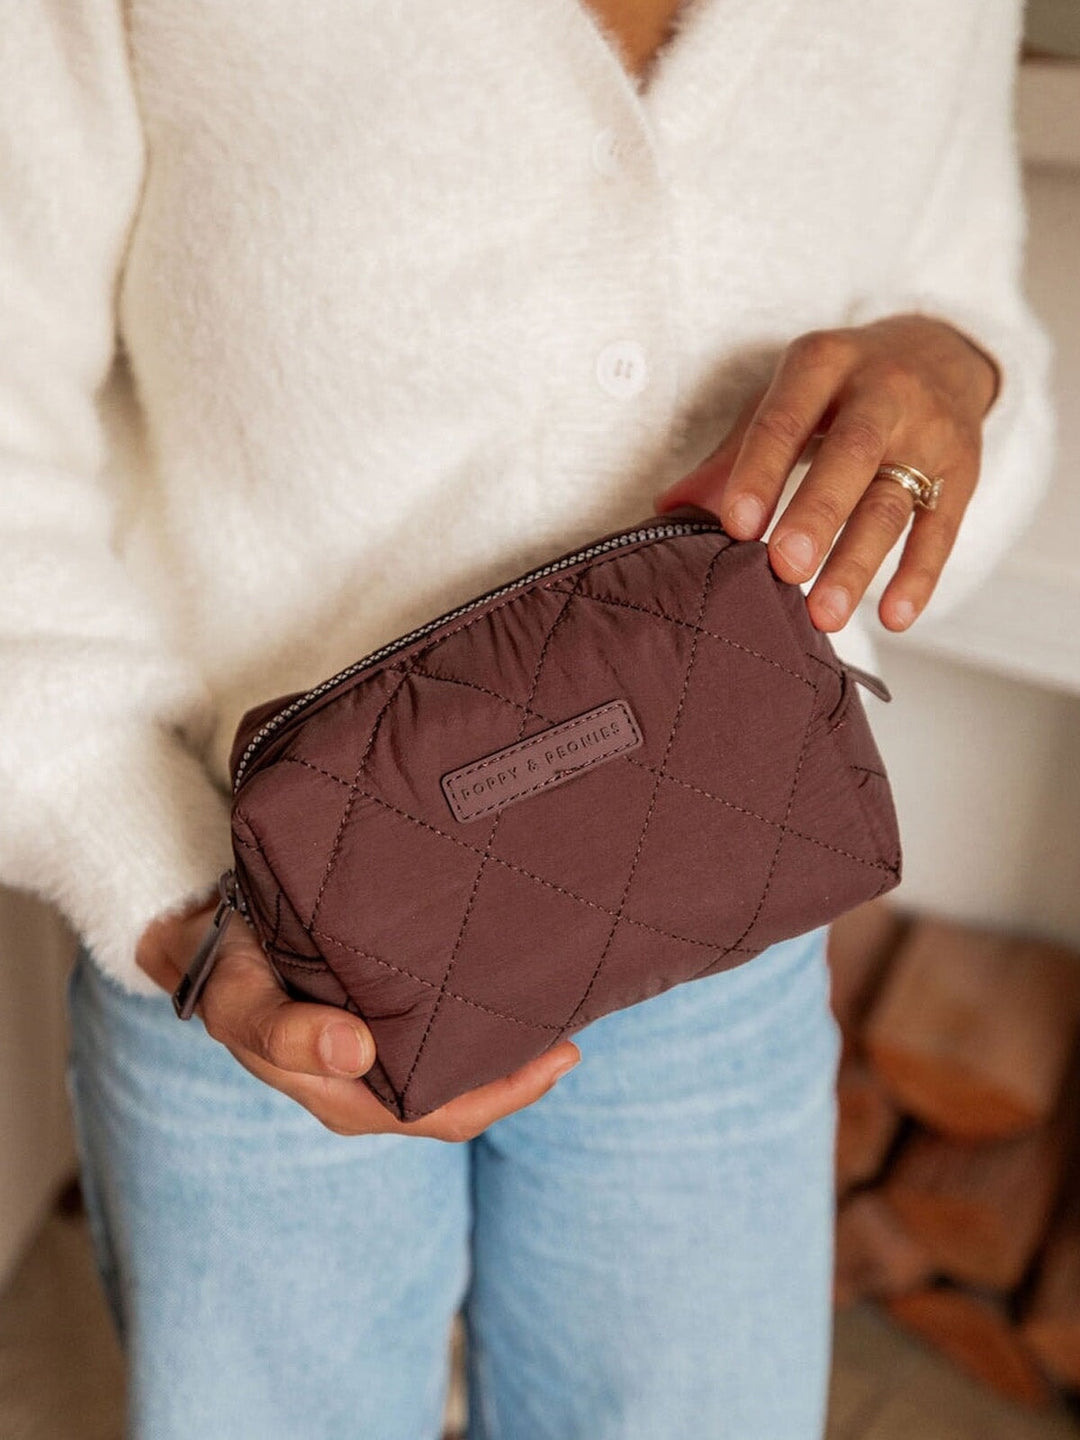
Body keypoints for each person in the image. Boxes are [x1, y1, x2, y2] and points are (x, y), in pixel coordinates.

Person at [0, 2, 1053, 1436]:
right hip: (255, 937)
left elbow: (963, 285)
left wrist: (953, 368)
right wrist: (155, 879)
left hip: (722, 937)